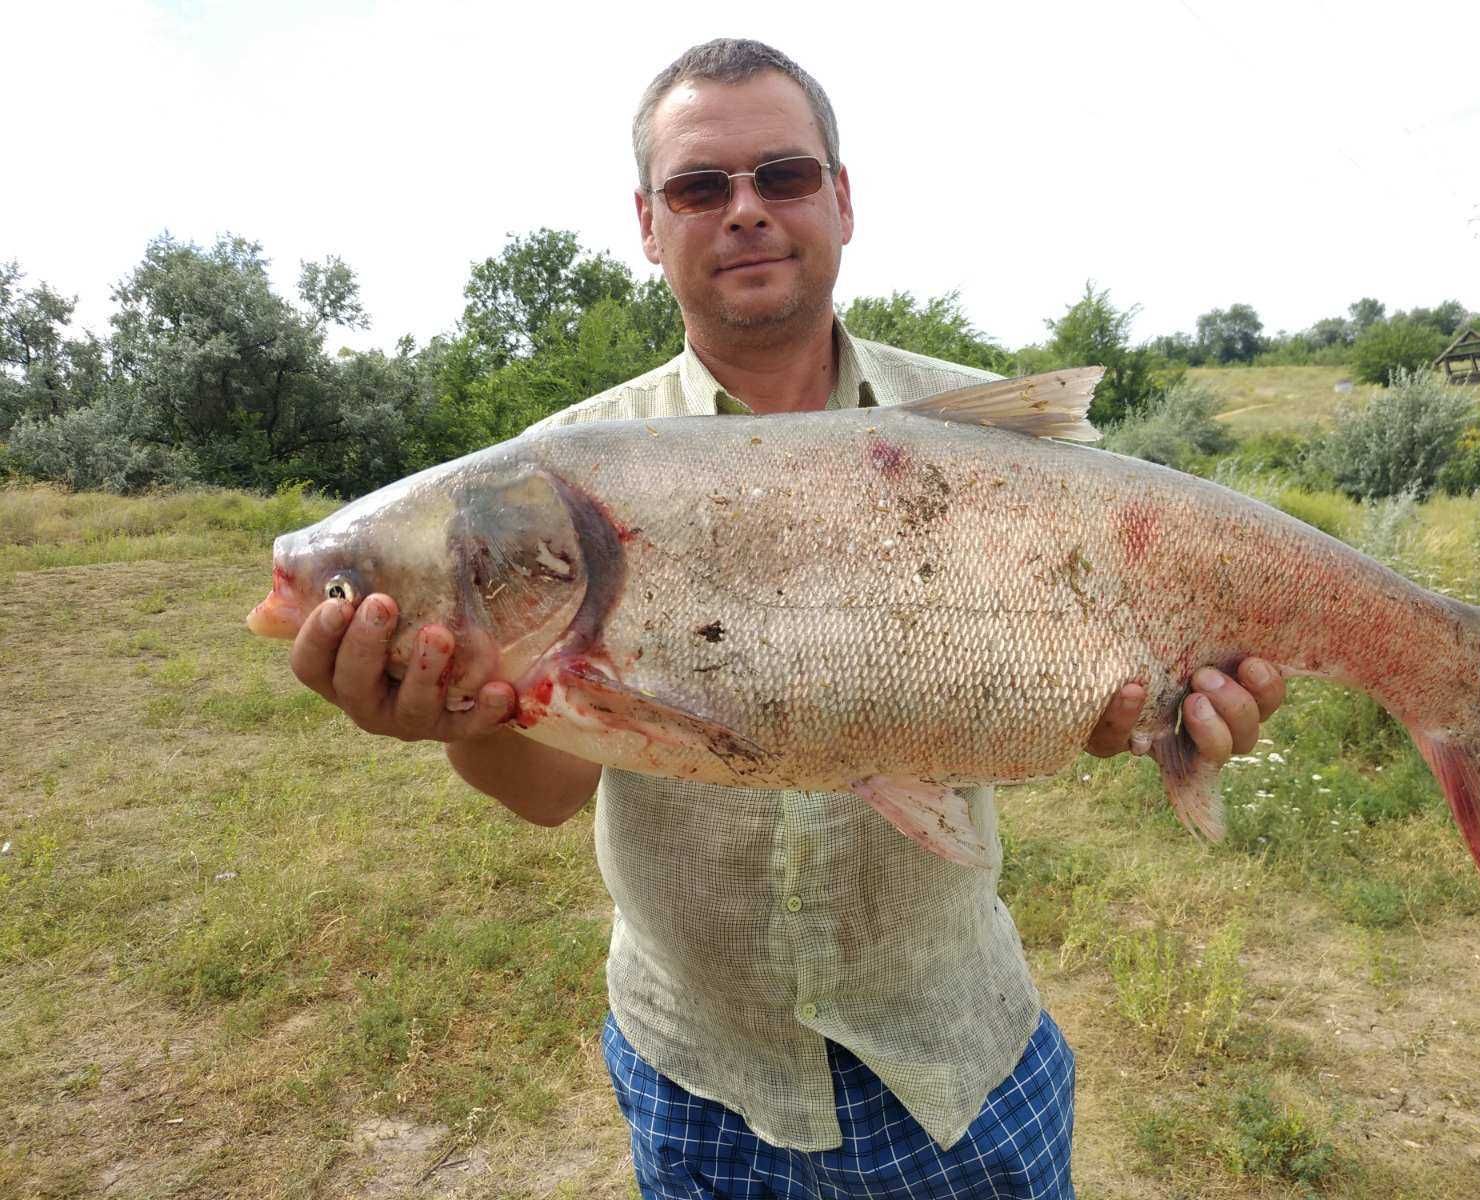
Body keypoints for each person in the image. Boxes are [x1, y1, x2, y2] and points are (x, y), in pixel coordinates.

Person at [289, 39, 1283, 1200]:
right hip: (702, 1073)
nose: (746, 211)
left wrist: (1154, 712)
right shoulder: (549, 484)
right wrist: (457, 713)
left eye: (785, 176)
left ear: (843, 199)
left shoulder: (990, 443)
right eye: (700, 188)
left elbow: (1096, 689)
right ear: (649, 226)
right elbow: (546, 794)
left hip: (955, 1050)